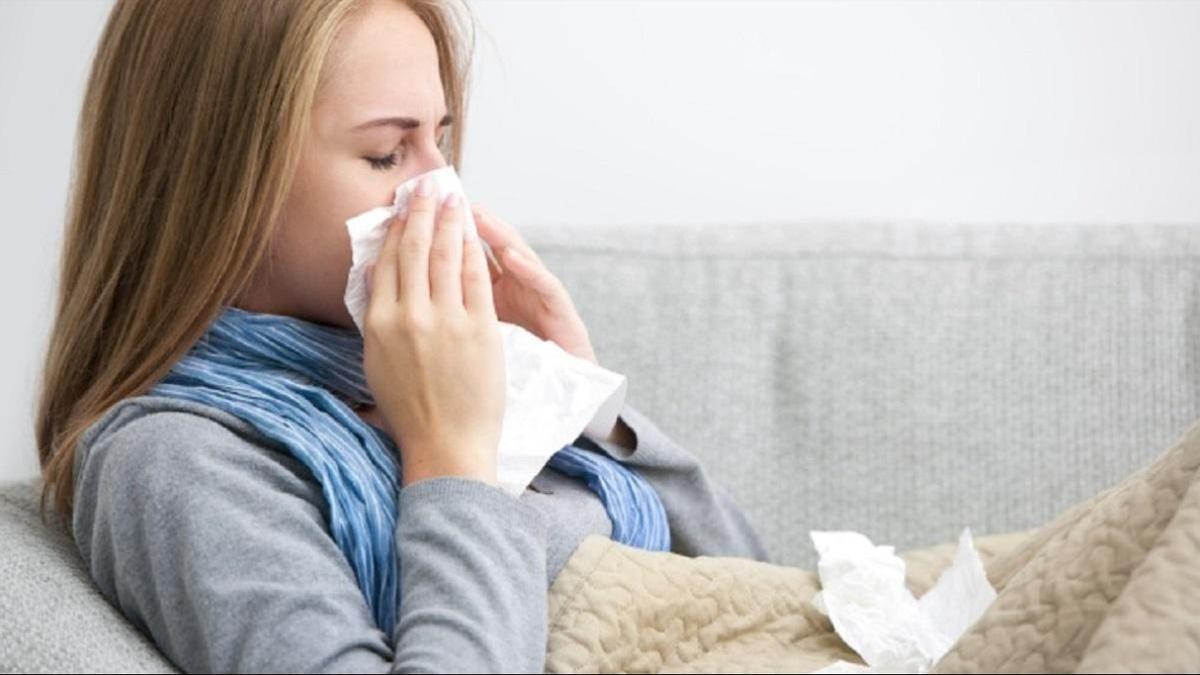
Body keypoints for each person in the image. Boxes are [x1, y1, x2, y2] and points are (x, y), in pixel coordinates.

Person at [34, 0, 770, 672]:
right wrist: (450, 456)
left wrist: (581, 401)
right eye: (388, 154)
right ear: (223, 183)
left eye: (440, 143)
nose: (441, 191)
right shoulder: (177, 459)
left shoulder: (425, 373)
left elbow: (755, 595)